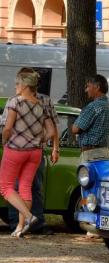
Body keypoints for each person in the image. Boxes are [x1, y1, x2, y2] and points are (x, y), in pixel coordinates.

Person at [0, 69, 59, 237]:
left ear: (25, 85)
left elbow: (8, 127)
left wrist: (5, 140)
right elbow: (51, 131)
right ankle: (20, 227)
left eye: (17, 83)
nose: (15, 86)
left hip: (15, 150)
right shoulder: (41, 104)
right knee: (25, 188)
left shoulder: (15, 102)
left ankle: (29, 217)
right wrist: (40, 140)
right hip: (34, 153)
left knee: (5, 187)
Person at [72, 75, 109, 162]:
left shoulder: (94, 106)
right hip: (104, 152)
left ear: (97, 87)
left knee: (86, 175)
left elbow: (75, 129)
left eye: (88, 86)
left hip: (90, 153)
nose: (86, 90)